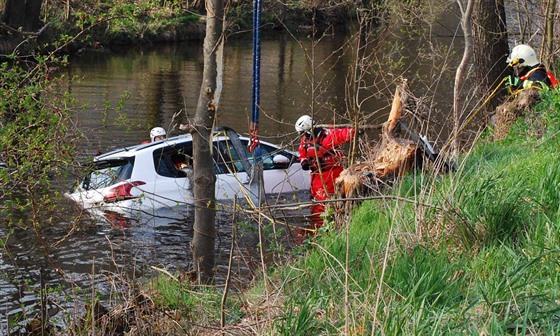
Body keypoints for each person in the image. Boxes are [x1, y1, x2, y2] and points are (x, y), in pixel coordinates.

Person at [296, 114, 355, 229]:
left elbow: (343, 134)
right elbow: (302, 153)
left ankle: (323, 227)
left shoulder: (328, 136)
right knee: (317, 201)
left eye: (303, 133)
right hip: (317, 177)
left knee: (323, 203)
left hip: (331, 174)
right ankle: (320, 226)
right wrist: (303, 162)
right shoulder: (305, 141)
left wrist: (355, 131)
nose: (302, 136)